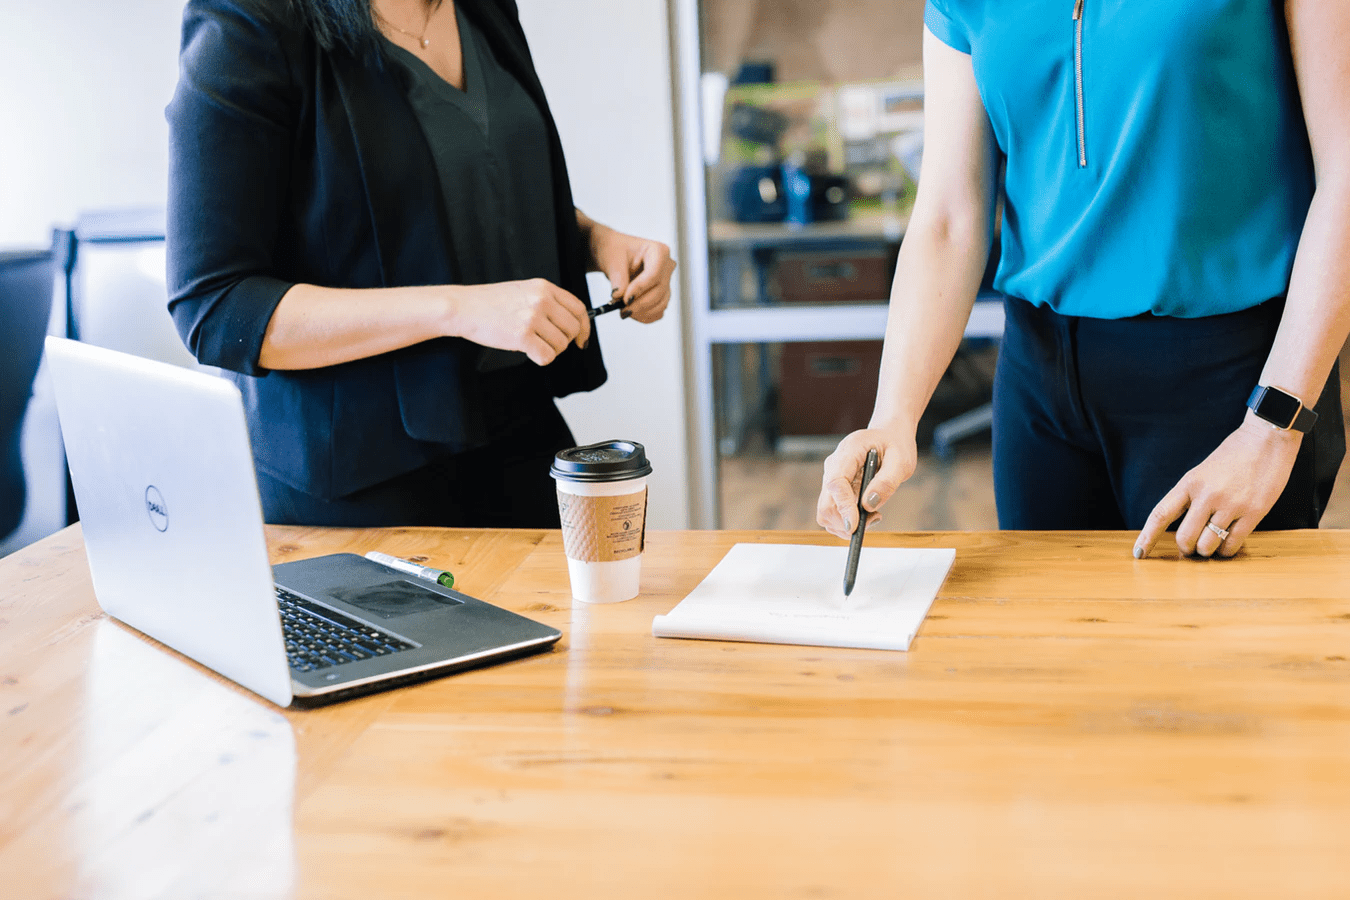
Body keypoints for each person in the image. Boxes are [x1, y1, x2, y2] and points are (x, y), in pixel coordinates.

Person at [817, 1, 1350, 559]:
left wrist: (1273, 428)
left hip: (1231, 379)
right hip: (1039, 383)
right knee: (1052, 640)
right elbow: (950, 217)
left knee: (1216, 643)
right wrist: (892, 418)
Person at [165, 0, 676, 528]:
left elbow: (454, 188)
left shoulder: (482, 8)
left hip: (518, 431)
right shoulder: (248, 21)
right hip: (360, 479)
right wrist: (456, 308)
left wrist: (595, 241)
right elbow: (216, 305)